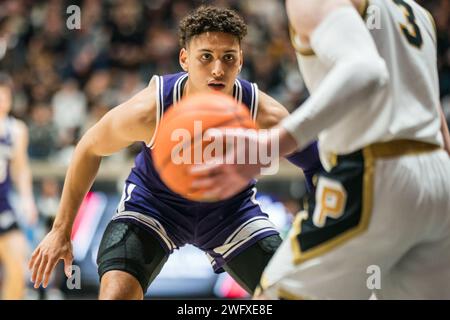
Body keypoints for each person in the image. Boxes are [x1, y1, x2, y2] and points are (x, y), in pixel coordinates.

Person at [28, 6, 321, 299]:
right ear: (184, 59)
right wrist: (61, 229)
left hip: (231, 214)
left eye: (228, 57)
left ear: (240, 61)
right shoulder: (153, 108)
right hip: (154, 207)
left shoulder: (262, 112)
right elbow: (89, 146)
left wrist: (320, 227)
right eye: (206, 56)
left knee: (291, 294)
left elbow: (315, 162)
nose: (218, 69)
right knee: (116, 293)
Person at [191, 0, 450, 299]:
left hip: (375, 173)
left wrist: (271, 143)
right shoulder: (416, 12)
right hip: (438, 180)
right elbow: (435, 119)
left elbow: (365, 70)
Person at [0, 72, 38, 299]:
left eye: (6, 95)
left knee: (18, 265)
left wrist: (27, 200)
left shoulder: (16, 129)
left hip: (3, 205)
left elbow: (21, 169)